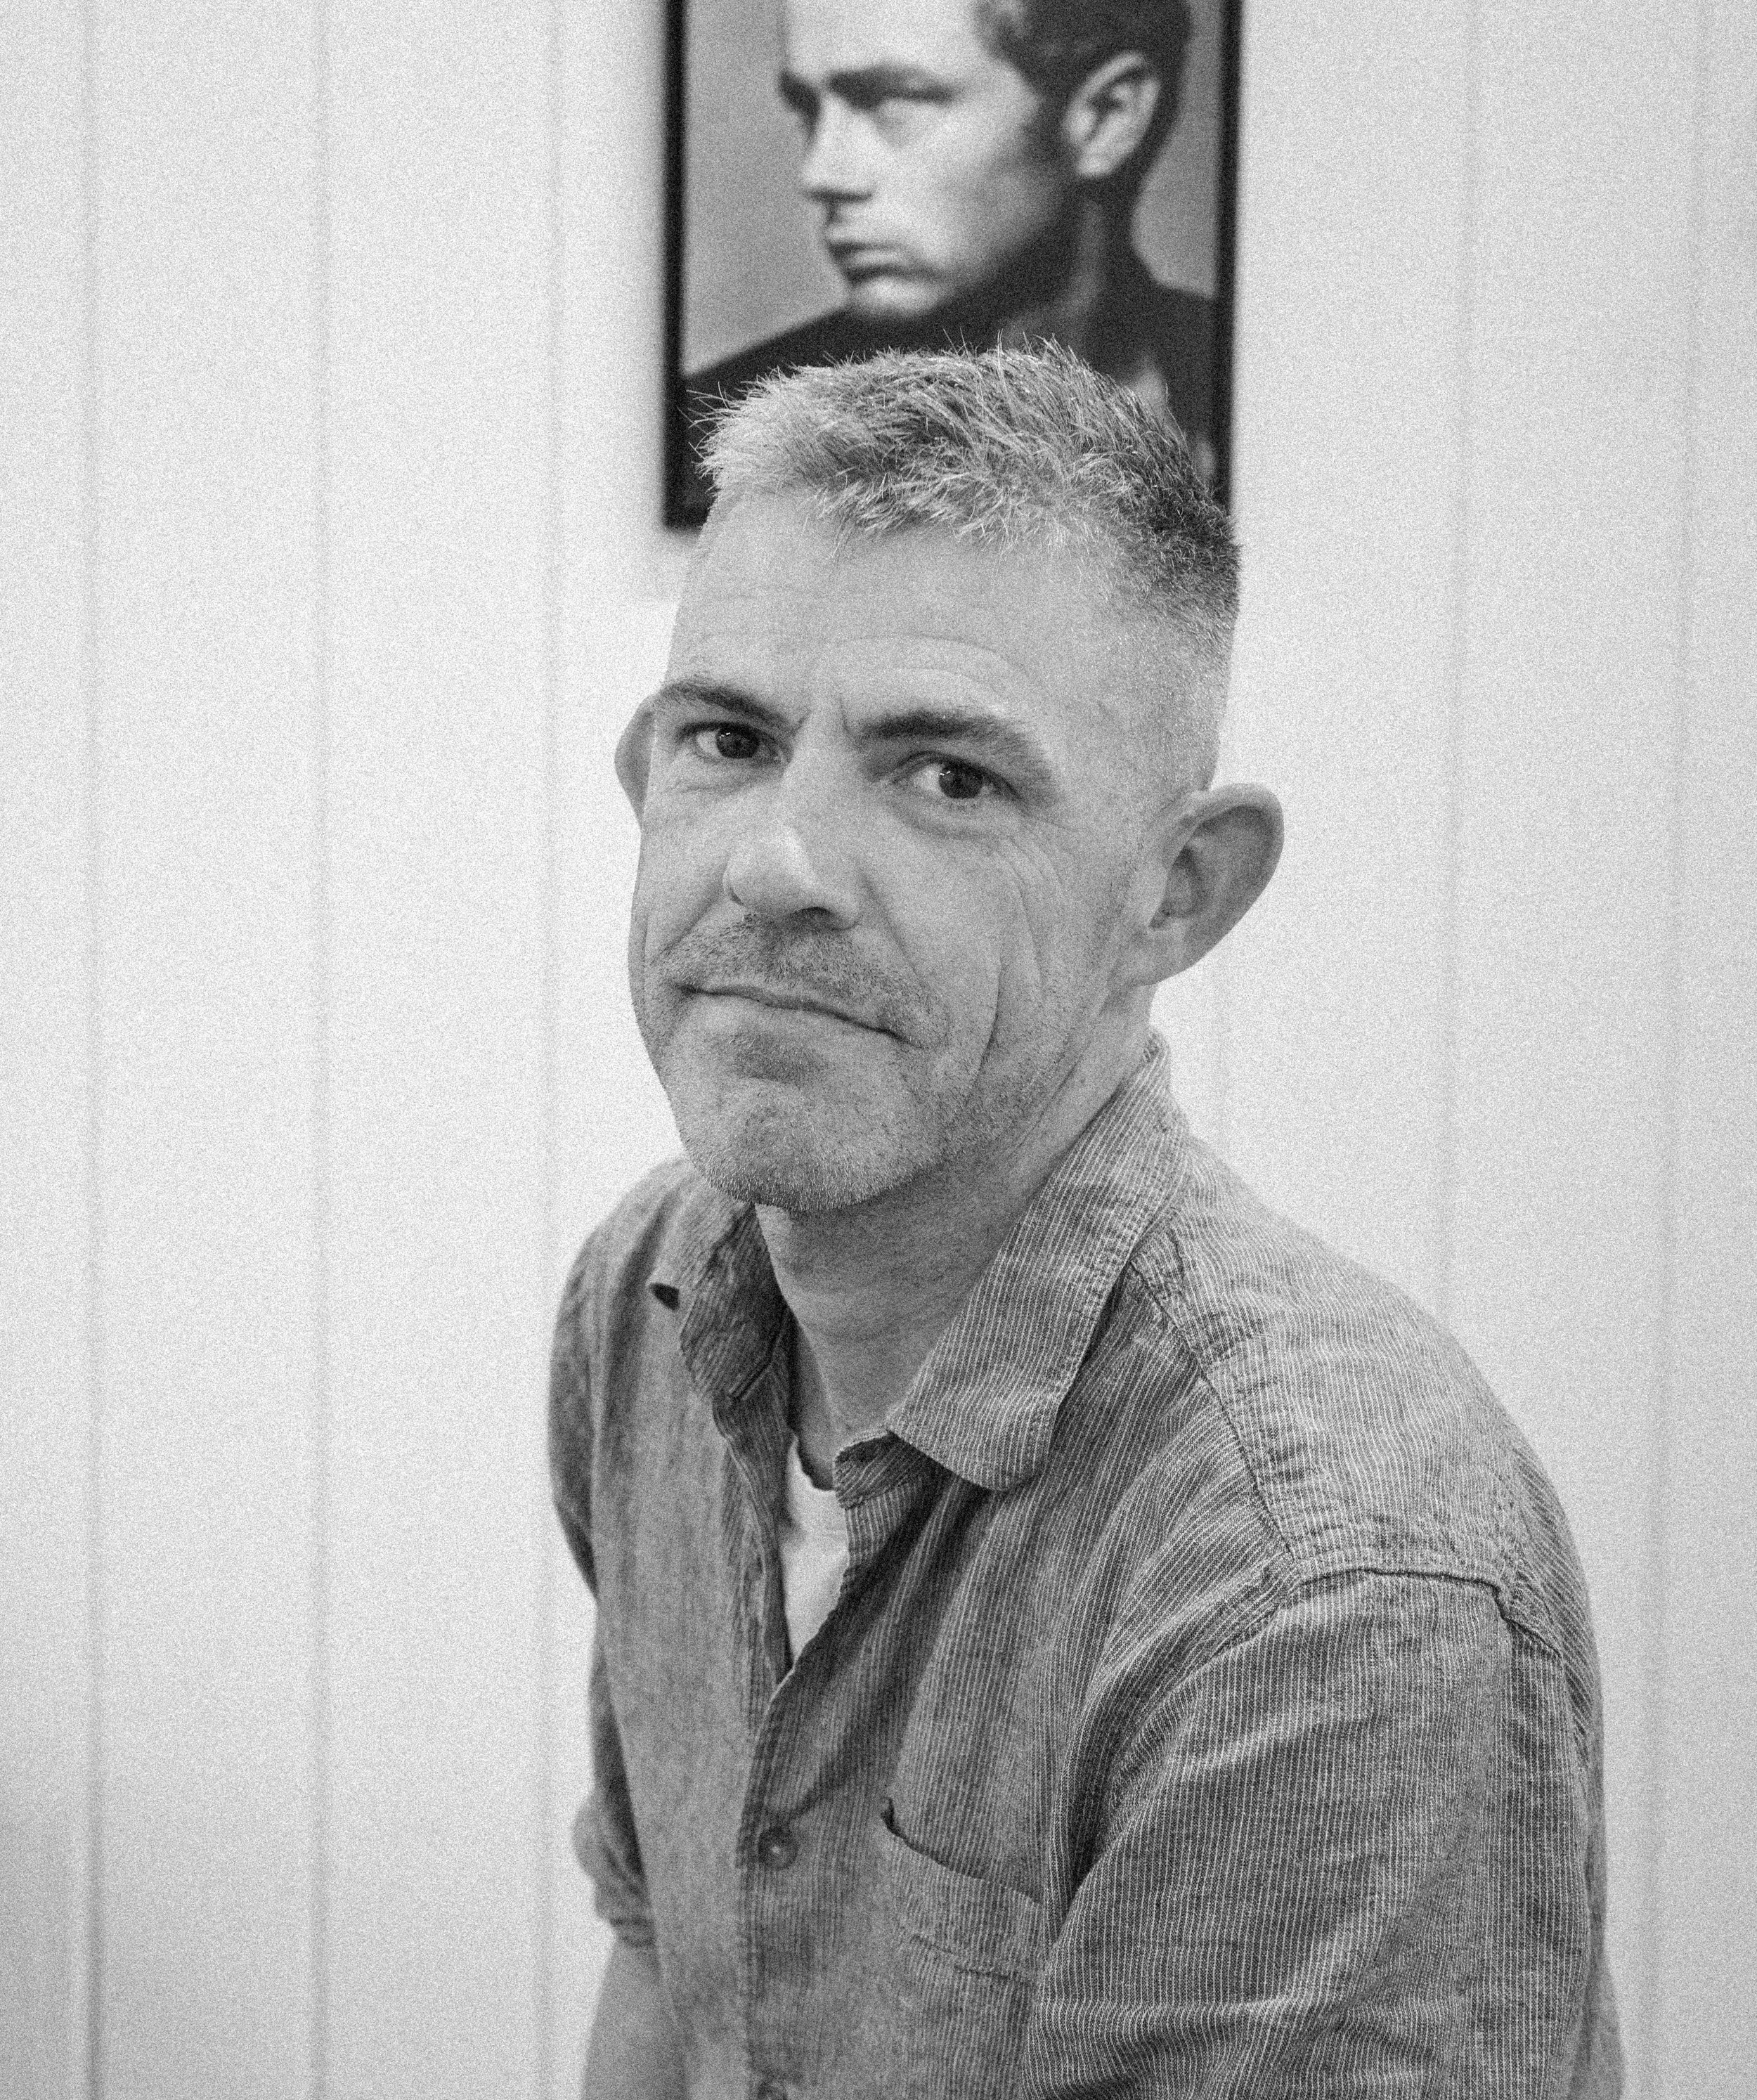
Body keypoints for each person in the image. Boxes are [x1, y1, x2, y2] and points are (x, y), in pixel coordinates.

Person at [555, 345, 1621, 2097]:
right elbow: (673, 1947)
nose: (773, 861)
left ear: (1175, 893)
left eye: (948, 777)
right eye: (728, 741)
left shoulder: (1325, 1587)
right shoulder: (651, 1300)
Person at [677, 0, 1224, 517]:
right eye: (808, 112)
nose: (820, 174)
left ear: (1108, 117)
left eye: (893, 103)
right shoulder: (714, 436)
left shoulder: (1272, 408)